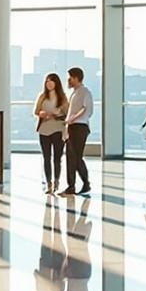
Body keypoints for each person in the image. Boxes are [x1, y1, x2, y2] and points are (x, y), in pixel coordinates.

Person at [61, 66, 94, 196]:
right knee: (72, 157)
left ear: (76, 78)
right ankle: (76, 185)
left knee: (75, 156)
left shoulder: (85, 92)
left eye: (70, 78)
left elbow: (87, 109)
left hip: (80, 127)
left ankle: (81, 184)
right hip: (72, 127)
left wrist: (73, 118)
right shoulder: (74, 93)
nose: (68, 81)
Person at [35, 74, 69, 192]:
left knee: (57, 158)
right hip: (44, 130)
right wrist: (42, 114)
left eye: (51, 81)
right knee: (46, 157)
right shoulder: (42, 96)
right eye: (47, 81)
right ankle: (48, 183)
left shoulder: (62, 97)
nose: (49, 83)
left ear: (56, 83)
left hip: (58, 129)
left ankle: (56, 181)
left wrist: (55, 113)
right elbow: (36, 111)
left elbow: (66, 112)